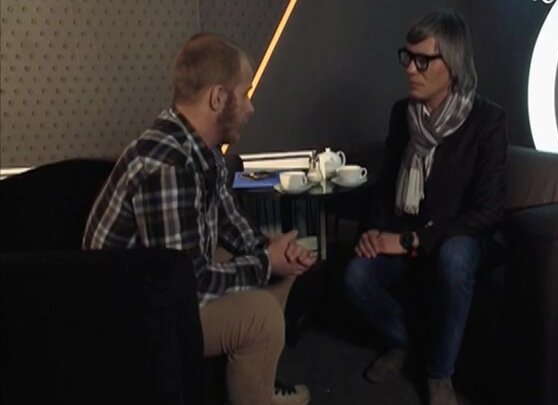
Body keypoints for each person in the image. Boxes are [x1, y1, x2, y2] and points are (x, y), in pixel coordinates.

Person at [83, 33, 314, 405]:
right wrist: (263, 262)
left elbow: (227, 220)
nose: (251, 107)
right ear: (218, 98)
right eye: (245, 93)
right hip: (133, 312)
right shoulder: (168, 164)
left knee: (279, 271)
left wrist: (269, 250)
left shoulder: (200, 147)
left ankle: (254, 383)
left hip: (167, 281)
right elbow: (186, 285)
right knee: (262, 318)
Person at [343, 10, 508, 405]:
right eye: (407, 57)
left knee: (454, 256)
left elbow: (488, 212)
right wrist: (373, 232)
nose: (410, 69)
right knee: (356, 275)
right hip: (406, 232)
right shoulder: (402, 114)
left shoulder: (488, 120)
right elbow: (387, 185)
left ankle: (439, 373)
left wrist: (413, 239)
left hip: (462, 236)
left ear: (452, 65)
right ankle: (402, 343)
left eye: (422, 61)